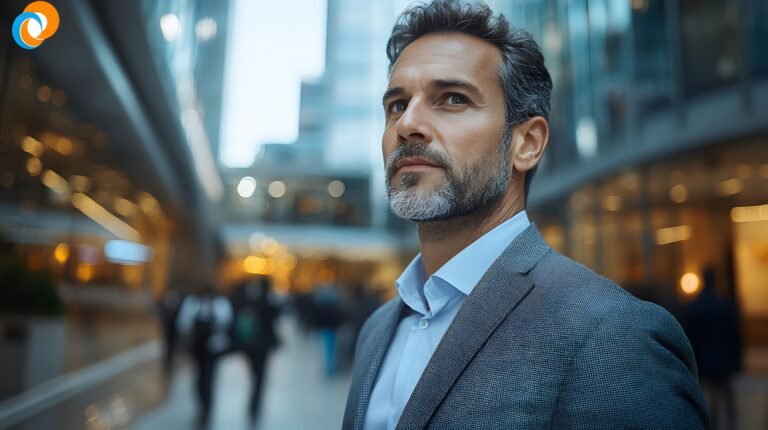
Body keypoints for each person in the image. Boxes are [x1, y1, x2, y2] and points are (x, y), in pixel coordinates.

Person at [343, 1, 709, 429]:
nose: (408, 123)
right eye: (396, 104)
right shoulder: (377, 329)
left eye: (452, 99)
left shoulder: (613, 335)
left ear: (527, 143)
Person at [683, 267, 742, 430]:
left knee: (707, 397)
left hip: (703, 358)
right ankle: (731, 422)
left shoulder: (695, 306)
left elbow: (689, 336)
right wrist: (737, 361)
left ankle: (710, 424)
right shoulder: (725, 305)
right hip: (723, 357)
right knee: (726, 395)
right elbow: (734, 335)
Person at [177, 288, 234, 426]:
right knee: (198, 380)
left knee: (209, 379)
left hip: (213, 348)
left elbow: (227, 323)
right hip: (197, 348)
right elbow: (183, 324)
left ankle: (207, 411)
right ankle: (202, 405)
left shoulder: (221, 303)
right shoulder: (192, 303)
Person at [231, 277, 281, 422]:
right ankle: (255, 403)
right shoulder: (268, 301)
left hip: (249, 345)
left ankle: (254, 402)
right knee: (260, 376)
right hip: (263, 345)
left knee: (255, 374)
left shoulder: (247, 300)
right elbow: (275, 317)